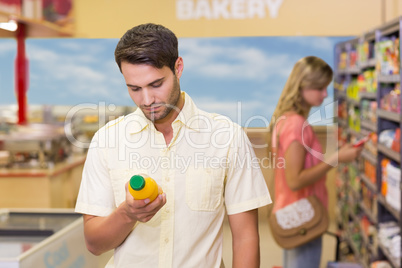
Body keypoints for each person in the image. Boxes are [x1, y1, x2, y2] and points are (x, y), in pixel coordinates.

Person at [75, 23, 272, 268]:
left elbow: (245, 238)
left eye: (156, 84)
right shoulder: (107, 141)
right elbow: (94, 244)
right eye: (134, 88)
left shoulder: (227, 138)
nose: (146, 100)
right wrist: (128, 214)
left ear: (178, 68)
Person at [268, 56, 363, 268]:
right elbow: (295, 180)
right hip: (304, 217)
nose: (325, 94)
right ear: (303, 86)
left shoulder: (285, 118)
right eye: (320, 87)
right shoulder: (296, 125)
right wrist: (336, 159)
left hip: (293, 214)